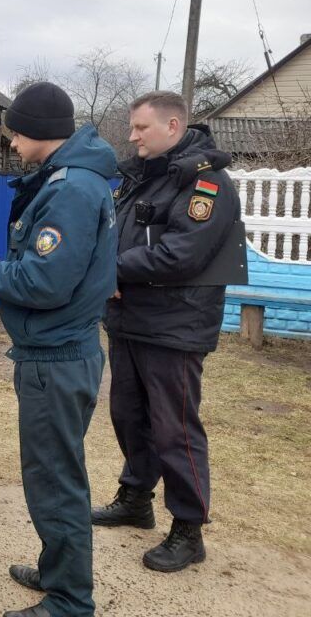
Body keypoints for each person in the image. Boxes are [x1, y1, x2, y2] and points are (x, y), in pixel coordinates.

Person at [0, 83, 117, 617]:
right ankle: (57, 572)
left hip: (57, 356)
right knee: (53, 473)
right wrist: (2, 278)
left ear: (33, 131)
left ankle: (70, 601)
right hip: (61, 349)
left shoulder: (70, 189)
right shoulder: (75, 180)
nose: (13, 146)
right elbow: (48, 273)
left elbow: (46, 283)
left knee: (55, 480)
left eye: (15, 135)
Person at [94, 91, 240, 572]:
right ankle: (136, 497)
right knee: (127, 415)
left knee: (174, 428)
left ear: (172, 127)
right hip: (130, 319)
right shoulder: (146, 177)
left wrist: (112, 271)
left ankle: (188, 528)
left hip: (174, 324)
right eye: (133, 128)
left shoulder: (207, 184)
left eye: (141, 127)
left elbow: (184, 254)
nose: (132, 136)